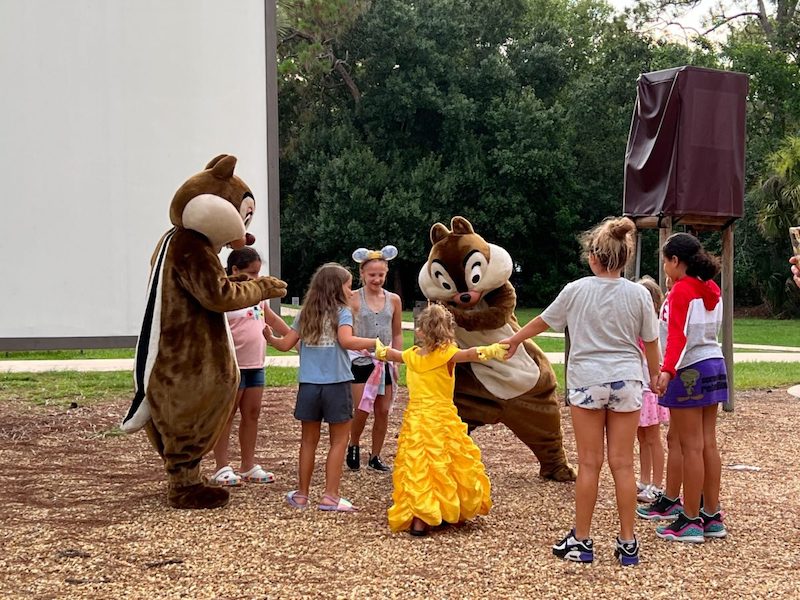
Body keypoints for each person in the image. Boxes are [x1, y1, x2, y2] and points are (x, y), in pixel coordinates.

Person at [502, 216, 660, 566]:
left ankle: (583, 540)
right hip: (627, 381)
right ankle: (628, 543)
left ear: (593, 257)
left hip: (588, 380)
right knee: (623, 464)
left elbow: (543, 321)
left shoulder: (576, 290)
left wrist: (514, 340)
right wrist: (656, 376)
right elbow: (650, 342)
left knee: (589, 463)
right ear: (626, 256)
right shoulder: (638, 295)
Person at [376, 303, 505, 537]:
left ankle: (420, 518)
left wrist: (379, 350)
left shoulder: (412, 356)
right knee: (446, 462)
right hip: (442, 418)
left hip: (417, 420)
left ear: (420, 331)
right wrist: (493, 350)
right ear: (448, 330)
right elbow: (470, 354)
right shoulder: (448, 355)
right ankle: (445, 509)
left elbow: (391, 354)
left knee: (418, 466)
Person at [264, 263, 380, 512]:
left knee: (308, 441)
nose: (351, 292)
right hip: (337, 385)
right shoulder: (343, 312)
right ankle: (330, 496)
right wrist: (375, 342)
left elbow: (284, 345)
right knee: (339, 440)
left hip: (309, 385)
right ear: (336, 289)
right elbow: (347, 341)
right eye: (348, 287)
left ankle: (302, 495)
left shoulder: (305, 313)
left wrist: (270, 338)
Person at [651, 232, 728, 543]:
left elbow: (677, 338)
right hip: (715, 364)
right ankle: (712, 514)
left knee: (690, 445)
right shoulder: (711, 287)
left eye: (665, 261)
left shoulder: (682, 290)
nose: (664, 267)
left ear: (675, 261)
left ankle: (691, 520)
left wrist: (666, 371)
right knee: (709, 442)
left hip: (690, 370)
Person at [210, 248, 293, 486]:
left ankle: (247, 465)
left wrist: (293, 336)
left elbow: (270, 317)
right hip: (231, 365)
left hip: (256, 364)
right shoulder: (224, 296)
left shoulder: (258, 294)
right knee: (227, 415)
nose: (256, 278)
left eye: (258, 273)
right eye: (251, 273)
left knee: (252, 413)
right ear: (234, 270)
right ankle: (221, 466)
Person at [346, 245, 403, 473]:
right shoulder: (352, 299)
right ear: (362, 274)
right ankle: (353, 443)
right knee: (361, 408)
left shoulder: (394, 300)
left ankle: (376, 455)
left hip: (385, 360)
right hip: (361, 360)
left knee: (383, 410)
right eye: (372, 275)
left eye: (380, 275)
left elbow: (397, 332)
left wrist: (396, 361)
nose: (377, 279)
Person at [635, 276, 670, 504]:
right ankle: (644, 479)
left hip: (650, 388)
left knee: (652, 437)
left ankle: (657, 484)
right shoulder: (636, 327)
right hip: (638, 387)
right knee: (641, 436)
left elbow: (656, 356)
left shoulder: (653, 327)